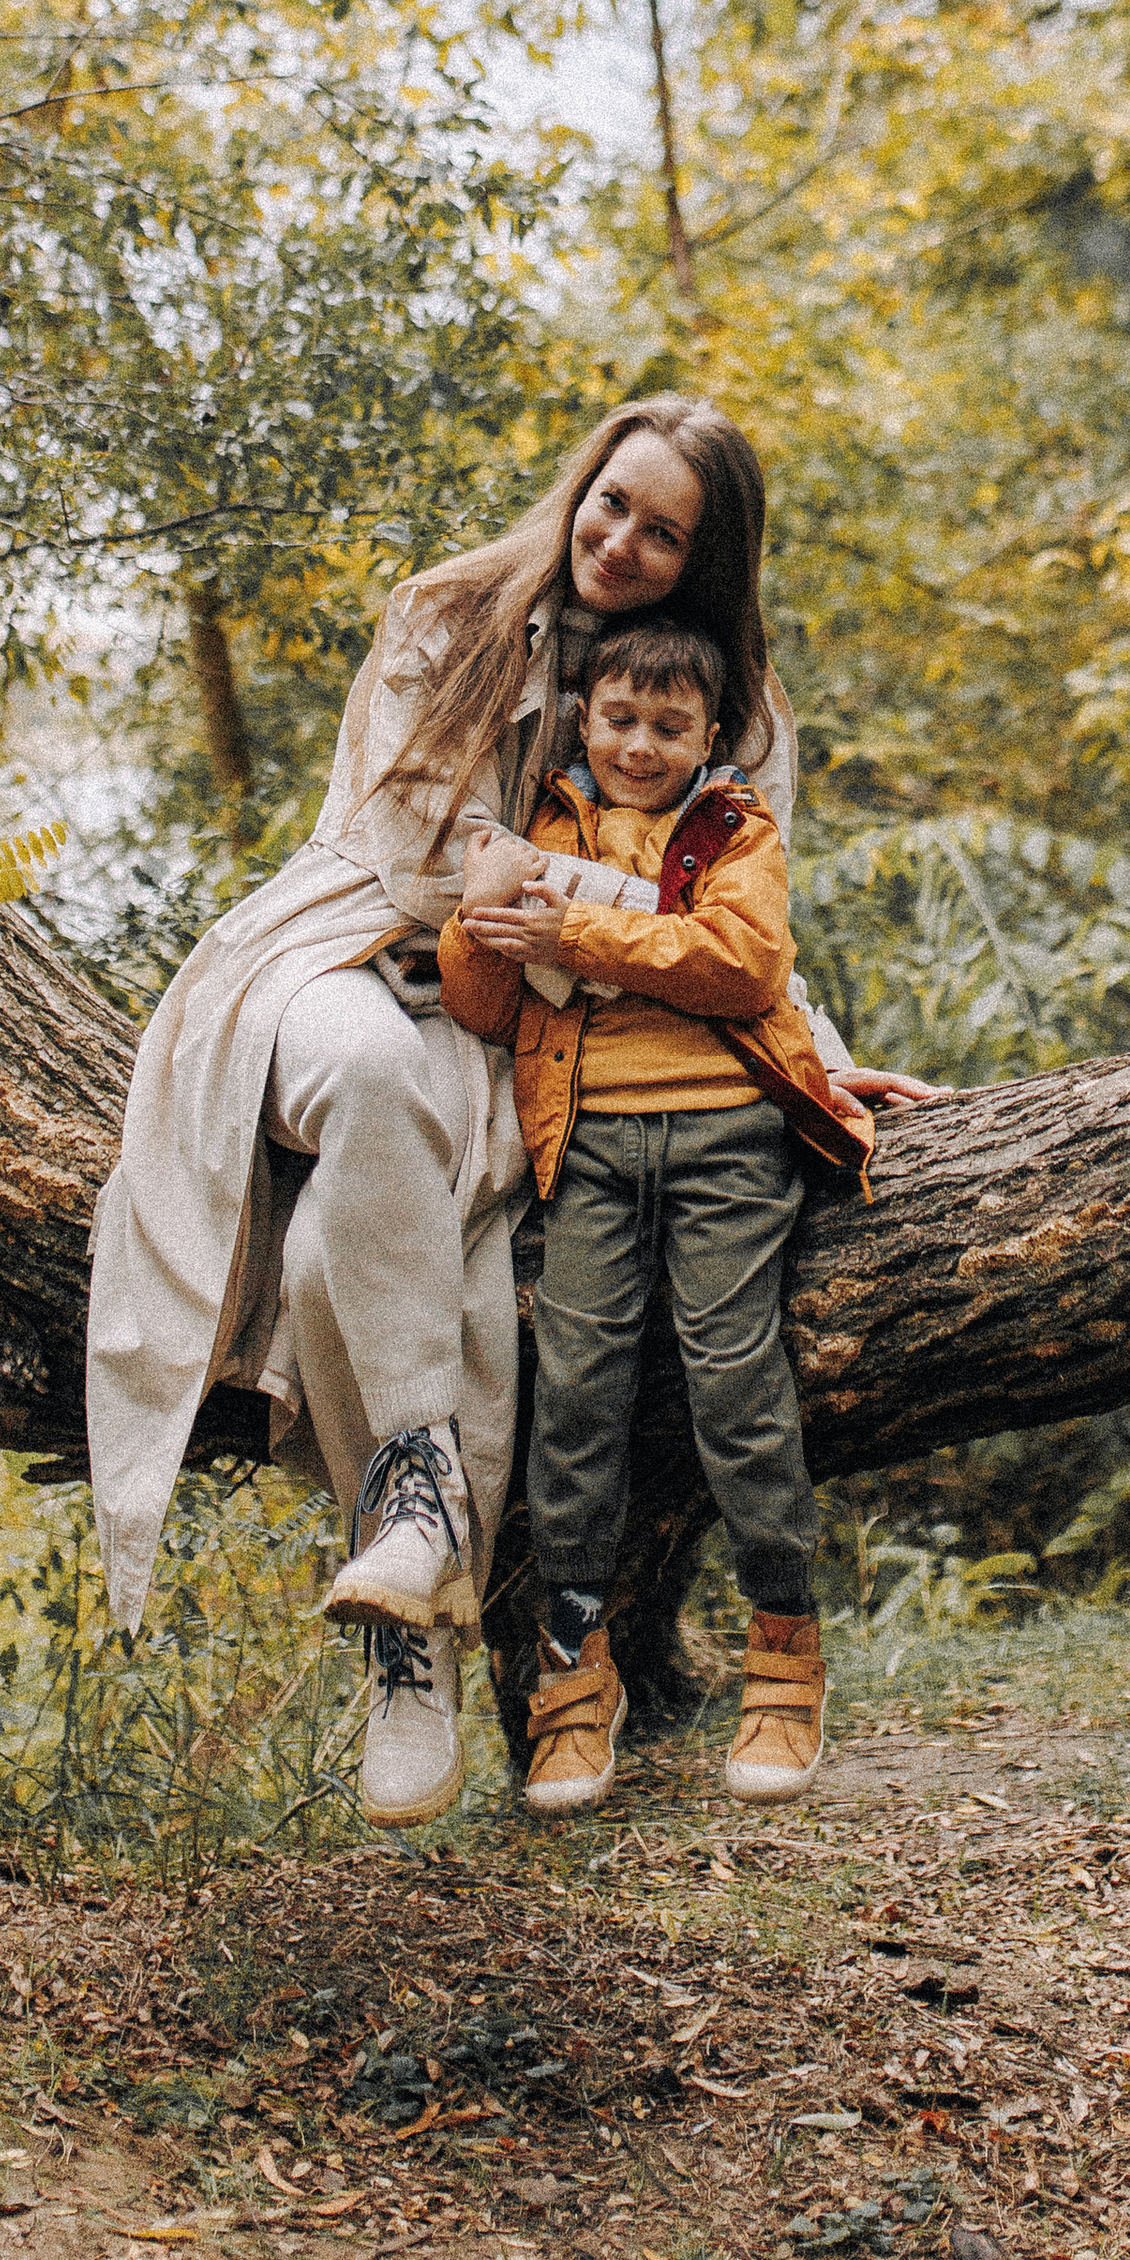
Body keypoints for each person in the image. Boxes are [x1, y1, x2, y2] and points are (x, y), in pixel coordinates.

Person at [85, 395, 935, 1829]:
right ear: (581, 483)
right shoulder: (450, 615)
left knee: (325, 1266)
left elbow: (738, 899)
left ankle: (406, 1642)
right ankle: (423, 1496)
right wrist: (616, 920)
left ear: (706, 559)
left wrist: (804, 1040)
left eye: (664, 534)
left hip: (526, 1014)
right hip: (351, 954)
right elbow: (431, 868)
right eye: (612, 503)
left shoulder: (731, 702)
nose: (621, 542)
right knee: (359, 1072)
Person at [437, 616, 870, 1818]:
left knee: (734, 1378)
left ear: (711, 736)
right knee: (576, 1393)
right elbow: (480, 1006)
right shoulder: (538, 828)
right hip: (587, 1146)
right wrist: (476, 916)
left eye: (669, 726)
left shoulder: (734, 829)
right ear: (584, 718)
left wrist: (572, 929)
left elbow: (743, 965)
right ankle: (575, 1677)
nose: (639, 744)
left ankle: (784, 1653)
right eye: (620, 718)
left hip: (728, 1137)